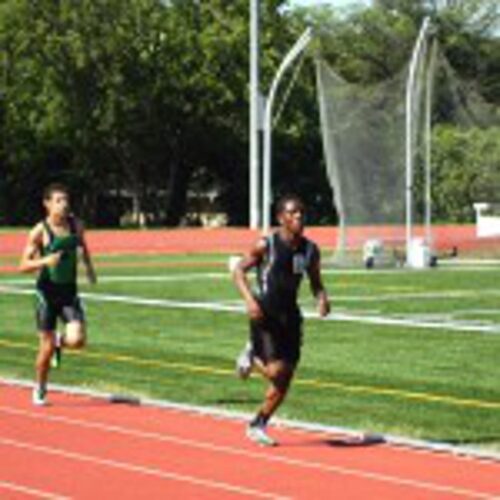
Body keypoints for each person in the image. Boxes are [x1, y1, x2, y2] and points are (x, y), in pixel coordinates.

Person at [233, 194, 330, 446]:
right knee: (276, 370)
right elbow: (238, 271)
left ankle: (258, 424)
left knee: (285, 377)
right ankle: (253, 356)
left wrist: (322, 298)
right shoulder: (267, 245)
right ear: (281, 218)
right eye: (293, 213)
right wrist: (249, 301)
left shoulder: (311, 250)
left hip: (290, 316)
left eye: (301, 213)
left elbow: (316, 283)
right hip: (264, 313)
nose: (299, 217)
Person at [19, 183, 97, 406]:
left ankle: (59, 342)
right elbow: (23, 265)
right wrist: (45, 260)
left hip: (69, 292)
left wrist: (89, 269)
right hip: (47, 294)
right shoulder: (39, 231)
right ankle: (41, 387)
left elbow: (82, 246)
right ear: (47, 204)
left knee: (78, 340)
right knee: (44, 349)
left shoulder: (76, 225)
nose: (64, 205)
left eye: (66, 200)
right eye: (59, 200)